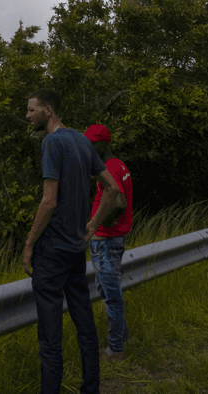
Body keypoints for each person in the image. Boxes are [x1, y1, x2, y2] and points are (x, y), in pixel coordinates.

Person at [22, 89, 125, 394]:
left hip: (52, 251)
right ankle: (90, 388)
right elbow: (113, 188)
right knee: (85, 324)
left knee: (50, 336)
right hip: (75, 250)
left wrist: (28, 245)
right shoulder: (82, 140)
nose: (27, 116)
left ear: (48, 111)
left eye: (31, 110)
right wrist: (91, 225)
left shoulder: (52, 142)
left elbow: (49, 202)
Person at [84, 124, 133, 362]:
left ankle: (115, 350)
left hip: (105, 241)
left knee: (111, 295)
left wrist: (96, 223)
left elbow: (119, 202)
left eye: (92, 144)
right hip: (111, 239)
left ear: (103, 145)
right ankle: (122, 338)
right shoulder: (118, 164)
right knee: (105, 288)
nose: (88, 148)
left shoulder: (109, 167)